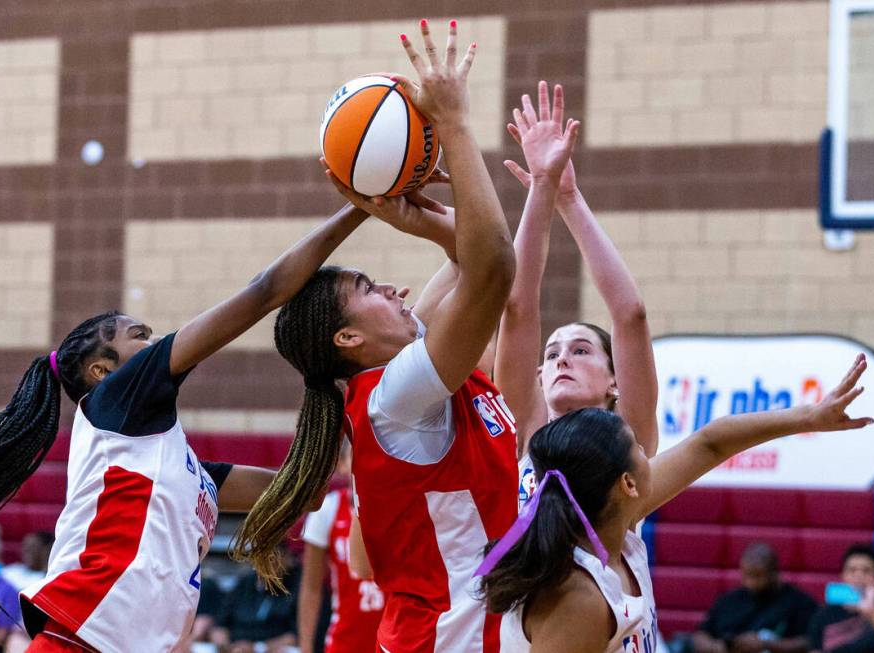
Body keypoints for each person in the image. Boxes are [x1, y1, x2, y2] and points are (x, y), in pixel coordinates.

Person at [231, 19, 574, 653]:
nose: (393, 290)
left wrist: (421, 217)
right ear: (348, 341)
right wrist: (454, 125)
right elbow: (493, 269)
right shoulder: (398, 396)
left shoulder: (403, 376)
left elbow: (481, 264)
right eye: (368, 289)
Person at [0, 198, 384, 653]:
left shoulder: (180, 468)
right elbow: (266, 289)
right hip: (80, 641)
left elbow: (303, 493)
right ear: (101, 371)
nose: (154, 342)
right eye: (139, 335)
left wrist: (334, 390)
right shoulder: (112, 401)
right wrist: (359, 206)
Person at [479, 355, 873, 652]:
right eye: (636, 446)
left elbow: (710, 443)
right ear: (627, 482)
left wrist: (809, 417)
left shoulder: (617, 520)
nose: (649, 454)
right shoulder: (577, 597)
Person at [493, 81, 659, 508]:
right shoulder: (525, 430)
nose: (562, 358)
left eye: (582, 350)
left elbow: (630, 315)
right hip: (521, 578)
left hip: (599, 578)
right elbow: (517, 305)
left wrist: (567, 197)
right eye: (551, 355)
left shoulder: (628, 434)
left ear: (615, 382)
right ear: (539, 378)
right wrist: (542, 188)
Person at [298, 442, 383, 653]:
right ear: (343, 465)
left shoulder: (401, 506)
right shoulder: (327, 509)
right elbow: (311, 588)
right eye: (357, 455)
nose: (365, 462)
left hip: (395, 639)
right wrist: (306, 648)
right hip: (346, 641)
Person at [692, 542, 817, 653]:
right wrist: (717, 647)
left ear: (774, 572)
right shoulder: (728, 601)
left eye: (757, 576)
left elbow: (812, 641)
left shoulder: (799, 603)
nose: (750, 582)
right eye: (746, 575)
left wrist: (767, 644)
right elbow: (700, 635)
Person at [808, 544, 874, 653]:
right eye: (852, 570)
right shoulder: (823, 614)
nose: (859, 576)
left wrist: (871, 611)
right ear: (843, 576)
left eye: (866, 570)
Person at [212, 550, 301, 653]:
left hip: (272, 648)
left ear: (286, 559)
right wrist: (223, 642)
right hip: (236, 646)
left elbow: (295, 636)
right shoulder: (244, 584)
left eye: (273, 560)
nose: (268, 565)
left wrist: (258, 647)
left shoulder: (296, 588)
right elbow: (219, 625)